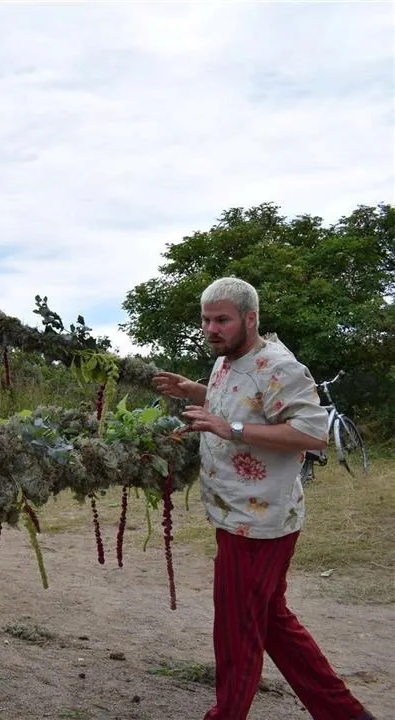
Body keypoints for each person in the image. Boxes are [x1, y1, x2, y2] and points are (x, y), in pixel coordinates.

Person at [154, 277, 374, 720]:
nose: (211, 329)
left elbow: (312, 434)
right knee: (271, 621)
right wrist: (194, 390)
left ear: (250, 319)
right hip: (236, 516)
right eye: (206, 320)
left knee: (237, 630)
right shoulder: (226, 360)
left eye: (222, 320)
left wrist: (229, 429)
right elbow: (243, 401)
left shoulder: (279, 366)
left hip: (257, 527)